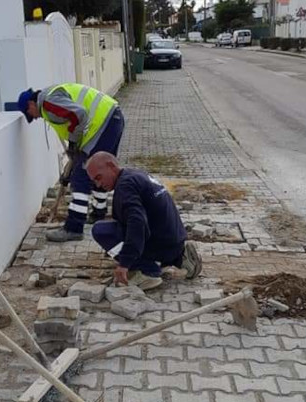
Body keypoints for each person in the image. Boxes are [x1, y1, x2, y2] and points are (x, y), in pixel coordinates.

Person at [17, 83, 125, 242]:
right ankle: (98, 214)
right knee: (99, 173)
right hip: (112, 118)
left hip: (102, 124)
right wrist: (74, 152)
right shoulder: (51, 97)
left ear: (30, 104)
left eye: (30, 114)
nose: (35, 117)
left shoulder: (48, 103)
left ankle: (74, 228)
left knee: (81, 177)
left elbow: (79, 114)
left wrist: (74, 143)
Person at [84, 152, 202, 290]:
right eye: (94, 181)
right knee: (123, 228)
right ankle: (181, 258)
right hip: (174, 241)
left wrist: (125, 263)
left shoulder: (125, 187)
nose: (98, 184)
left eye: (99, 177)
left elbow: (137, 224)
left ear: (111, 166)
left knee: (101, 230)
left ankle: (148, 271)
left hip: (161, 244)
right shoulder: (135, 174)